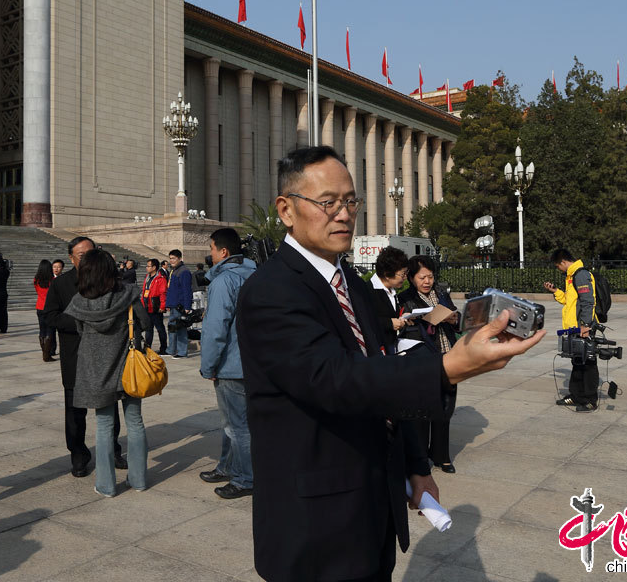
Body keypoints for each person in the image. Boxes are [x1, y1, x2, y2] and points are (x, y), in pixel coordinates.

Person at [236, 146, 546, 581]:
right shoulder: (271, 292)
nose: (343, 214)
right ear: (286, 210)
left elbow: (382, 378)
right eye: (328, 202)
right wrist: (445, 369)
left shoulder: (355, 288)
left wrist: (416, 466)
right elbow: (334, 379)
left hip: (373, 504)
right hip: (314, 524)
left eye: (350, 201)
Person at [64, 249, 150, 497]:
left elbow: (80, 330)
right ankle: (139, 479)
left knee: (103, 425)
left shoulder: (79, 302)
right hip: (129, 369)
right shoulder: (130, 294)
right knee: (135, 422)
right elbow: (145, 323)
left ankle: (106, 484)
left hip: (96, 371)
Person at [44, 237, 126, 477]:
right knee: (75, 412)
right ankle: (79, 456)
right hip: (75, 357)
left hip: (106, 357)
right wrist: (83, 320)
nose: (88, 258)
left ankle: (113, 450)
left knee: (110, 406)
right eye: (81, 255)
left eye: (91, 253)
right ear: (71, 258)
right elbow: (50, 316)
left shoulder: (110, 282)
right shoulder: (61, 284)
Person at [199, 228, 256, 499]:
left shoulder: (224, 282)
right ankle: (227, 466)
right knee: (234, 423)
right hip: (253, 363)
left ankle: (245, 479)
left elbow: (215, 329)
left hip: (232, 364)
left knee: (237, 426)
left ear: (223, 252)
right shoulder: (255, 275)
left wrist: (208, 365)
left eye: (211, 249)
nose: (210, 255)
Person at [398, 255, 462, 474]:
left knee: (445, 407)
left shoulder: (442, 293)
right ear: (412, 278)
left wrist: (453, 319)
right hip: (423, 358)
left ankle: (442, 456)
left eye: (430, 276)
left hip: (448, 355)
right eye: (422, 277)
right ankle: (421, 455)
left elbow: (457, 317)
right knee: (423, 409)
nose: (427, 281)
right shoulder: (405, 298)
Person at [544, 248, 598, 412]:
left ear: (563, 262)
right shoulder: (572, 276)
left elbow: (588, 301)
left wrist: (586, 325)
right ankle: (576, 395)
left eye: (557, 266)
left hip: (583, 327)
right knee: (577, 362)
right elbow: (570, 301)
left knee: (588, 363)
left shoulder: (580, 275)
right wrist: (556, 292)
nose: (558, 269)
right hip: (575, 327)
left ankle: (590, 400)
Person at [365, 246, 410, 352]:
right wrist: (389, 323)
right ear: (387, 274)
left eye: (405, 273)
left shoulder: (392, 290)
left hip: (392, 345)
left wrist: (403, 316)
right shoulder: (367, 291)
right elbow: (365, 320)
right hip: (377, 348)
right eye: (402, 274)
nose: (405, 278)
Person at [165, 249, 193, 359]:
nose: (171, 260)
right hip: (173, 304)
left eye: (173, 258)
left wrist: (187, 306)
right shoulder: (174, 270)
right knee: (172, 328)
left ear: (180, 258)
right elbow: (171, 290)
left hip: (180, 305)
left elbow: (187, 290)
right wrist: (168, 303)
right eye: (170, 258)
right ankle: (171, 349)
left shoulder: (184, 271)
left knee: (180, 328)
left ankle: (182, 351)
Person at [141, 258, 168, 355]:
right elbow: (144, 291)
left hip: (156, 307)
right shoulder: (147, 277)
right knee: (148, 329)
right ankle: (147, 348)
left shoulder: (160, 278)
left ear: (154, 267)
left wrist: (162, 306)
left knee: (160, 328)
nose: (146, 268)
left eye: (148, 266)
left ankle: (164, 348)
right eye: (147, 266)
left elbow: (163, 293)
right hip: (147, 306)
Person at [34, 259, 55, 362]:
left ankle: (44, 352)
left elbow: (37, 291)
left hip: (39, 306)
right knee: (50, 331)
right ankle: (47, 355)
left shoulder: (36, 280)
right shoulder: (52, 280)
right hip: (49, 307)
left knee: (42, 330)